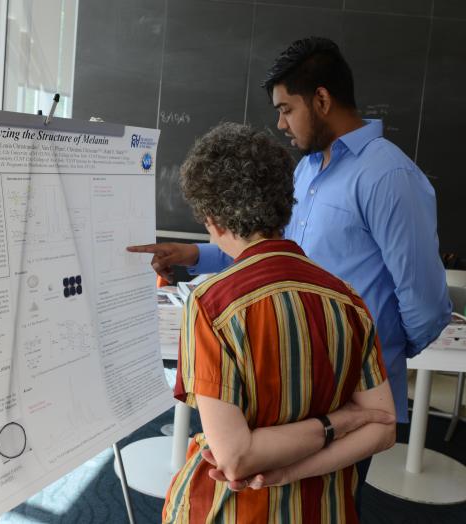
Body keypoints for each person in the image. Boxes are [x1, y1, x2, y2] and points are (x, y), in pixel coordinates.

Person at [129, 36, 451, 498]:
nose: (279, 123)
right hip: (280, 376)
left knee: (326, 498)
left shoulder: (389, 177)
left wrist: (372, 358)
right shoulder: (306, 172)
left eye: (286, 108)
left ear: (321, 99)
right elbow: (268, 252)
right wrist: (194, 255)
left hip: (347, 393)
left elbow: (425, 304)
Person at [161, 122, 395, 523]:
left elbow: (234, 460)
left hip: (237, 509)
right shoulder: (348, 298)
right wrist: (341, 422)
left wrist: (280, 467)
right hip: (326, 507)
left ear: (213, 220)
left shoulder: (212, 305)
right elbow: (384, 425)